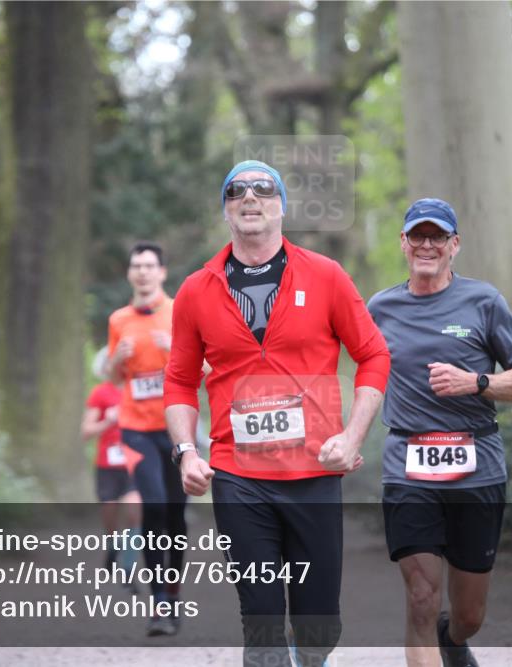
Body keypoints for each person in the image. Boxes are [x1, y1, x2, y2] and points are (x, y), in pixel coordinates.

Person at [164, 160, 390, 667]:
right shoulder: (197, 290)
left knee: (318, 625)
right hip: (239, 477)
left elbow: (374, 355)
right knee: (261, 620)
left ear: (280, 205)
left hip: (314, 473)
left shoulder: (325, 276)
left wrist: (352, 437)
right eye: (235, 191)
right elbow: (179, 380)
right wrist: (185, 453)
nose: (249, 197)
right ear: (225, 209)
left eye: (262, 189)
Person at [367, 198, 512, 667]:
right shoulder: (379, 309)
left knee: (468, 614)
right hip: (409, 468)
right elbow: (353, 369)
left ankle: (454, 639)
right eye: (417, 236)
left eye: (437, 236)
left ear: (454, 245)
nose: (427, 245)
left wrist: (477, 382)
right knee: (421, 597)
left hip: (476, 470)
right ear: (403, 243)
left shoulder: (484, 301)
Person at [105, 241, 186, 636]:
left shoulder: (179, 313)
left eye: (149, 265)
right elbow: (113, 378)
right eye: (136, 266)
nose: (142, 272)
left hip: (176, 428)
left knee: (175, 516)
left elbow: (206, 368)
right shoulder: (119, 319)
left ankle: (173, 590)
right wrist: (116, 359)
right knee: (153, 507)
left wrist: (177, 352)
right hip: (135, 428)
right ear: (129, 273)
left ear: (162, 272)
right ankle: (160, 604)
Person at [81, 347, 142, 576]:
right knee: (109, 513)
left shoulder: (137, 390)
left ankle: (128, 567)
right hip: (107, 466)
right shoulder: (100, 393)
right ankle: (112, 546)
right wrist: (108, 421)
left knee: (135, 511)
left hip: (133, 463)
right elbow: (86, 432)